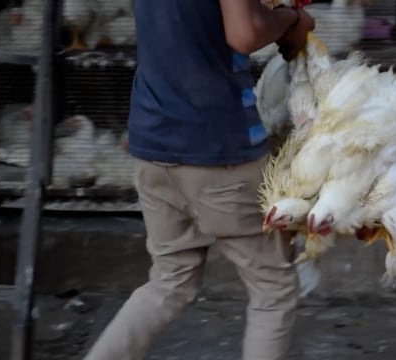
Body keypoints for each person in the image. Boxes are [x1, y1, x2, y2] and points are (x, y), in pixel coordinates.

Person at [83, 1, 315, 359]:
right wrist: (291, 19)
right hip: (219, 148)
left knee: (168, 282)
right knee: (273, 289)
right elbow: (244, 32)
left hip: (153, 143)